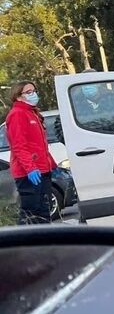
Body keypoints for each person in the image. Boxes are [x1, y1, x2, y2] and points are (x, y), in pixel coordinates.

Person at [4, 82, 56, 224]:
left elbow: (39, 145)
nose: (33, 94)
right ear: (18, 96)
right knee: (32, 212)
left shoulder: (32, 113)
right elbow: (19, 146)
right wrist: (31, 168)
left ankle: (45, 241)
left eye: (34, 90)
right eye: (28, 92)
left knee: (44, 210)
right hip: (28, 172)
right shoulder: (17, 114)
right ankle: (23, 242)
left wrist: (51, 165)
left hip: (41, 169)